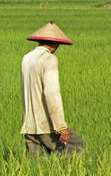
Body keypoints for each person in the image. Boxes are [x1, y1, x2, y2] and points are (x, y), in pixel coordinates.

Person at [20, 21, 85, 156]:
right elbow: (51, 93)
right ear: (56, 44)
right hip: (46, 124)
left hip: (29, 124)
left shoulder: (26, 58)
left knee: (37, 168)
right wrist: (61, 127)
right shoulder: (49, 59)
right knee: (78, 146)